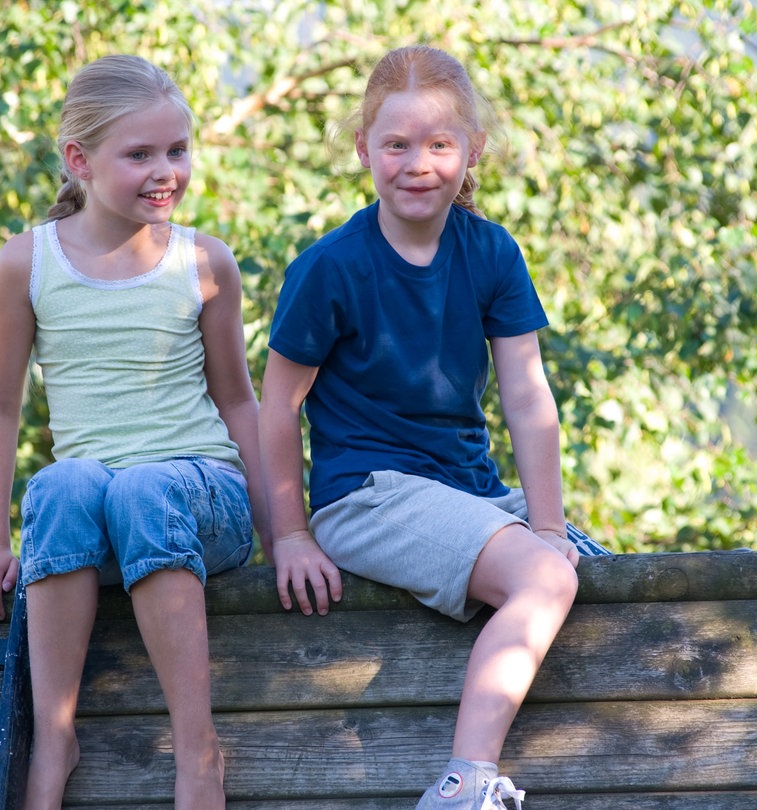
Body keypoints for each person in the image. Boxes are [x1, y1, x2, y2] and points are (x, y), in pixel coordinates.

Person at [258, 44, 611, 810]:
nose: (418, 164)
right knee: (545, 576)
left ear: (472, 150)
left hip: (470, 494)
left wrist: (546, 522)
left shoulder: (490, 252)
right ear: (364, 149)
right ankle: (465, 781)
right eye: (397, 145)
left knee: (593, 565)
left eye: (440, 144)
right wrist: (288, 536)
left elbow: (526, 395)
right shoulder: (331, 268)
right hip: (368, 498)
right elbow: (273, 408)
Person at [0, 54, 269, 810]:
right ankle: (54, 735)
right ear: (79, 160)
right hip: (95, 518)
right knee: (61, 482)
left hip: (200, 500)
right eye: (141, 154)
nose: (167, 171)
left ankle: (198, 751)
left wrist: (287, 532)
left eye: (178, 151)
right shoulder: (27, 263)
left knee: (145, 488)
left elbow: (241, 404)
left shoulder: (204, 263)